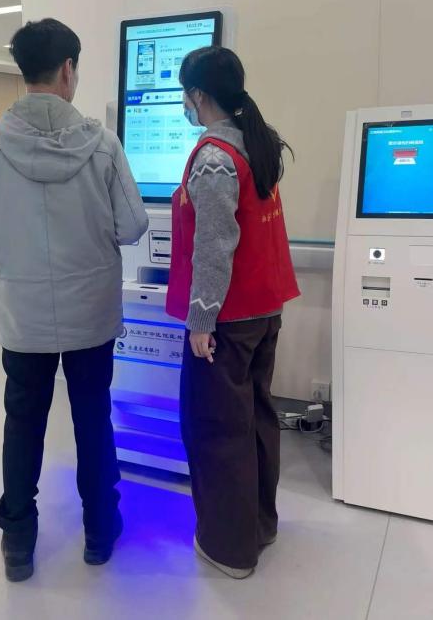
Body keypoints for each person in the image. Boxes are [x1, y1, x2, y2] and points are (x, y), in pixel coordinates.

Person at [0, 18, 148, 583]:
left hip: (22, 319)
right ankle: (100, 530)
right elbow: (133, 224)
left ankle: (18, 540)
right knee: (92, 417)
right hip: (90, 313)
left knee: (23, 422)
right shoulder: (102, 144)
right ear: (68, 69)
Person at [166, 47, 300, 579]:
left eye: (185, 93)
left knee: (217, 430)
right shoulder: (254, 143)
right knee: (257, 420)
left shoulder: (214, 156)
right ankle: (260, 526)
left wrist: (201, 321)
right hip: (263, 310)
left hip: (227, 320)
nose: (185, 103)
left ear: (199, 94)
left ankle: (230, 549)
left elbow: (215, 244)